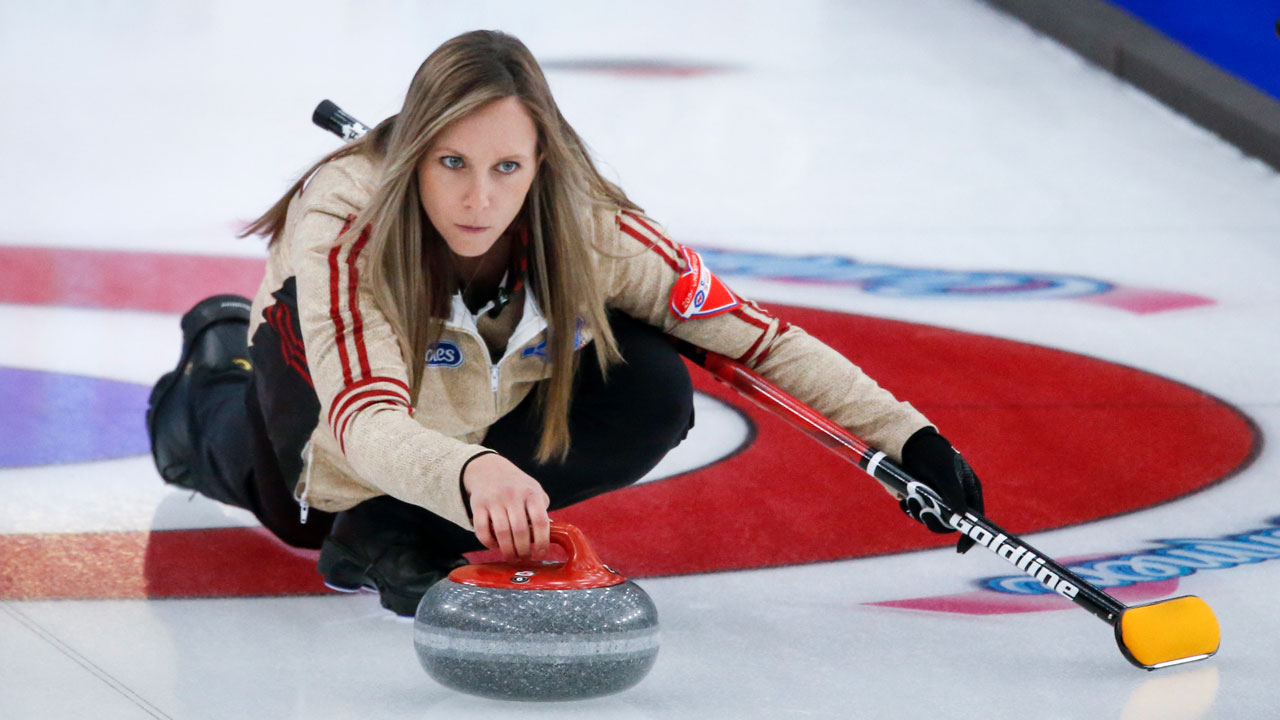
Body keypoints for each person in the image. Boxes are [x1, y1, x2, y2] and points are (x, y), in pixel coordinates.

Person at [145, 29, 984, 617]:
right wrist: (475, 477)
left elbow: (755, 337)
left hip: (466, 402)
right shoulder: (345, 225)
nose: (480, 198)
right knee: (309, 509)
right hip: (330, 396)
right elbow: (365, 422)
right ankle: (209, 376)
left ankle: (397, 525)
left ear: (542, 160)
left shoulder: (591, 225)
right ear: (416, 159)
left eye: (507, 166)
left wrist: (911, 440)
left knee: (650, 384)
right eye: (452, 164)